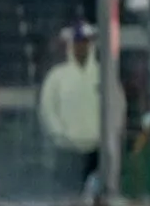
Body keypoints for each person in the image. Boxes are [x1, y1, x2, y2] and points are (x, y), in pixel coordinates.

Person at [39, 21, 124, 193]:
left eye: (86, 42)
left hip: (97, 150)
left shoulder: (103, 75)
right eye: (78, 43)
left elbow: (118, 106)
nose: (82, 47)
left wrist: (108, 134)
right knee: (66, 196)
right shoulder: (57, 77)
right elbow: (47, 110)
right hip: (67, 152)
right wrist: (61, 136)